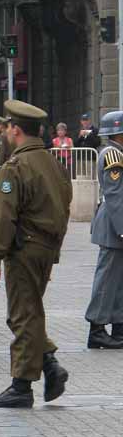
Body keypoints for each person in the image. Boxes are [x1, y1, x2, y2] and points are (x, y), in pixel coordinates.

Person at [0, 99, 73, 408]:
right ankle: (49, 364)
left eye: (8, 127)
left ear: (17, 130)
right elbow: (65, 207)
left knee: (22, 315)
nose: (6, 132)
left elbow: (4, 216)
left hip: (23, 250)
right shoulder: (55, 164)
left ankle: (22, 385)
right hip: (46, 248)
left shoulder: (15, 167)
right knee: (31, 311)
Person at [84, 110, 123, 349]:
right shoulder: (112, 156)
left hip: (116, 224)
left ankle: (118, 325)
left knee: (118, 281)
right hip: (113, 225)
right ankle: (96, 328)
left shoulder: (117, 153)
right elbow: (115, 194)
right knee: (107, 279)